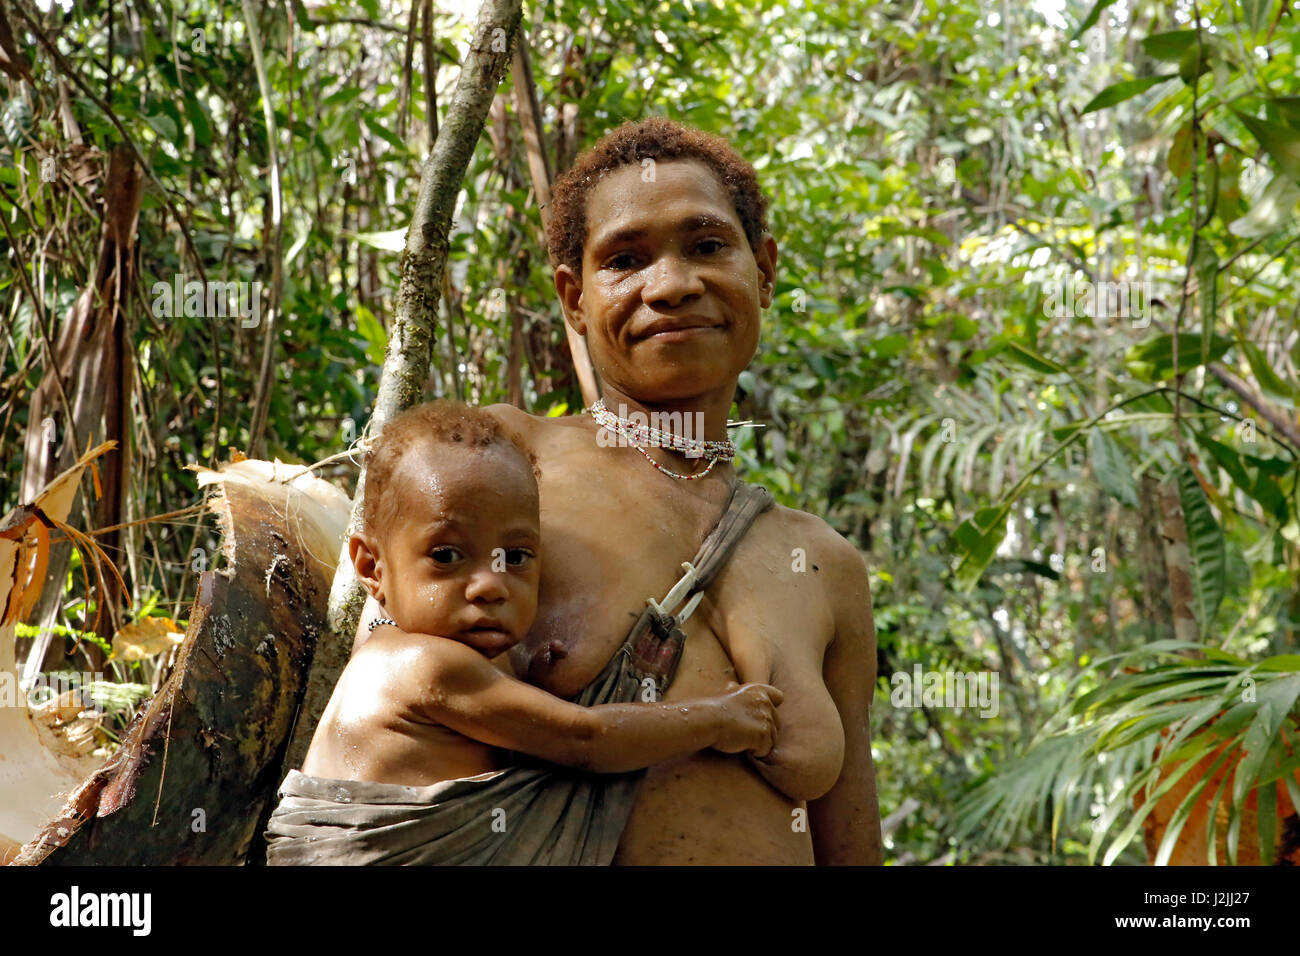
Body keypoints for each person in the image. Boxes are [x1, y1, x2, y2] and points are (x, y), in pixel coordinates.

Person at [352, 117, 882, 865]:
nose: (671, 286)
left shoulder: (825, 564)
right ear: (575, 299)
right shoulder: (500, 466)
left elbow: (850, 846)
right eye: (626, 259)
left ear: (763, 271)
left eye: (707, 246)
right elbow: (382, 745)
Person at [264, 401, 783, 864]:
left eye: (516, 557)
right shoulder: (419, 664)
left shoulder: (463, 664)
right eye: (446, 556)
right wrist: (718, 719)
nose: (490, 585)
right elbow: (588, 739)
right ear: (371, 568)